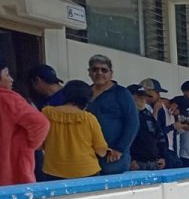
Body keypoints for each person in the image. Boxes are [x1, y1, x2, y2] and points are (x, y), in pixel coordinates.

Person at [40, 80, 108, 180]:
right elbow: (101, 150)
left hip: (54, 171)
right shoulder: (89, 119)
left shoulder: (47, 113)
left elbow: (39, 144)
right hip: (86, 171)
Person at [0, 56, 50, 186]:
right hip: (14, 175)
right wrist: (31, 144)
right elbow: (40, 123)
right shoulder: (8, 98)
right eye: (6, 74)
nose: (11, 79)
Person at [86, 54, 137, 175]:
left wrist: (120, 149)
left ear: (111, 73)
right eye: (95, 69)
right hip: (88, 156)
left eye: (104, 70)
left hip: (113, 156)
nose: (99, 73)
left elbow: (133, 123)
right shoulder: (84, 93)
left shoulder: (122, 93)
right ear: (89, 72)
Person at [126, 84, 167, 170]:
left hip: (153, 163)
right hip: (135, 164)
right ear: (129, 96)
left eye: (145, 96)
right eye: (140, 96)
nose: (144, 99)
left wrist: (162, 157)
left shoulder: (147, 114)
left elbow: (159, 135)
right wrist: (129, 160)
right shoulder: (124, 115)